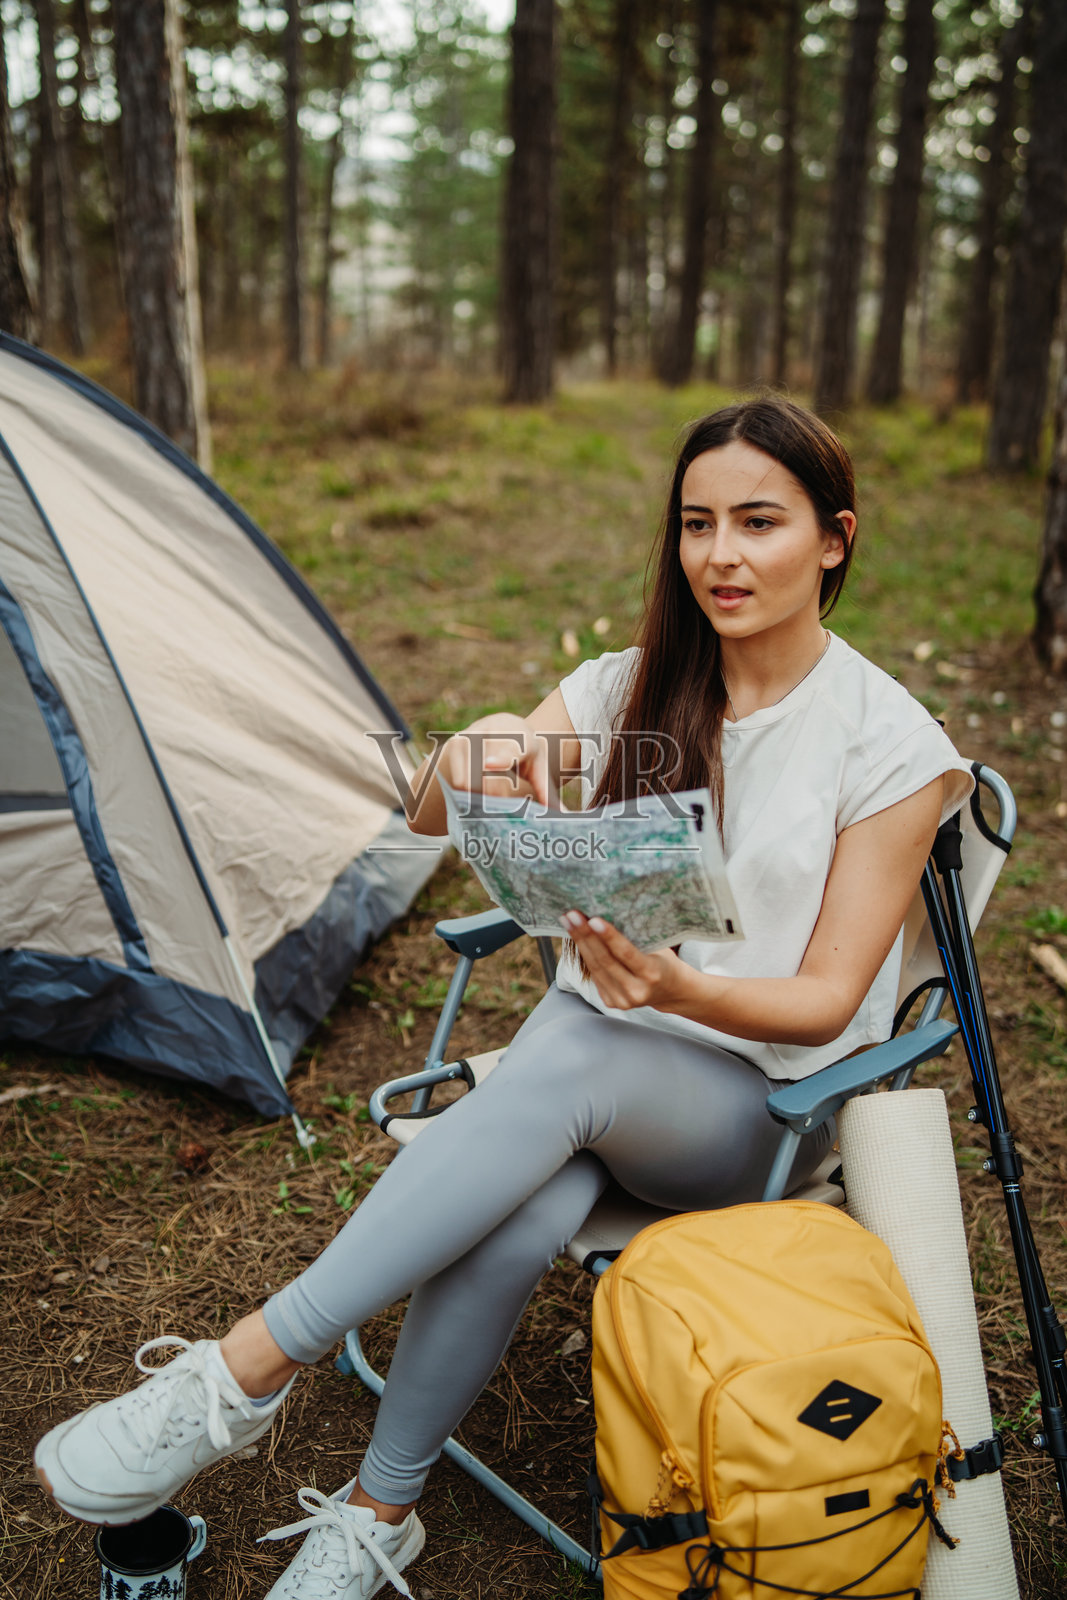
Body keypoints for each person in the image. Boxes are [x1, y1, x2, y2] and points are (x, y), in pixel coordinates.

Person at [34, 398, 974, 1600]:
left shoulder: (888, 743)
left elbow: (827, 999)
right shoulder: (635, 684)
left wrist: (679, 987)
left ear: (832, 539)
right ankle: (379, 1509)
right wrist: (478, 746)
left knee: (573, 1048)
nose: (719, 556)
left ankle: (244, 1370)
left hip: (753, 1119)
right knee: (522, 1203)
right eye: (696, 524)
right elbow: (434, 812)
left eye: (757, 522)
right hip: (581, 1085)